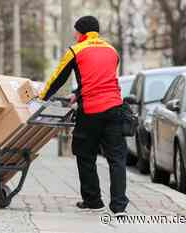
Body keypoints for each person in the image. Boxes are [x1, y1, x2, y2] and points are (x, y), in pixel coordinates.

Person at [39, 16, 129, 216]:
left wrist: (41, 97)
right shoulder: (112, 51)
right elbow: (100, 79)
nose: (74, 34)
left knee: (85, 154)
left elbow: (58, 77)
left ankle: (93, 200)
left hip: (91, 110)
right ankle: (119, 206)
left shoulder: (76, 50)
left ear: (81, 32)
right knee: (117, 158)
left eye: (76, 31)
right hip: (115, 108)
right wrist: (77, 93)